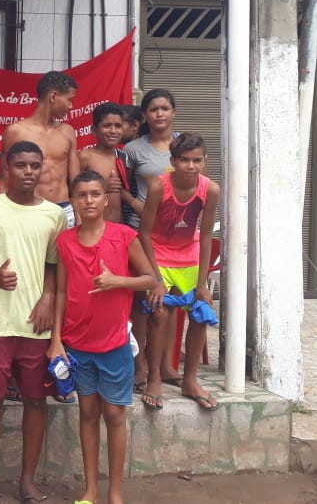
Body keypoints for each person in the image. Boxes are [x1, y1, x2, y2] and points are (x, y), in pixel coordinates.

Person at [0, 141, 67, 504]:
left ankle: (27, 482)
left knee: (36, 401)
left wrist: (48, 297)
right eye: (21, 165)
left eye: (35, 165)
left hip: (35, 326)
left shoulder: (54, 215)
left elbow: (54, 265)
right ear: (6, 168)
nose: (28, 172)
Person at [49, 170, 157, 504]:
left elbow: (149, 279)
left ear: (106, 200)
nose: (89, 201)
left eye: (95, 194)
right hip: (77, 344)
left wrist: (117, 282)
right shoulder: (64, 241)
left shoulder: (124, 236)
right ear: (72, 201)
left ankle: (115, 493)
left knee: (114, 415)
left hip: (114, 344)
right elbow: (62, 292)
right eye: (81, 195)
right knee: (87, 413)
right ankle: (91, 491)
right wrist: (56, 340)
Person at [138, 133, 220, 412]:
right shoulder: (159, 186)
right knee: (159, 312)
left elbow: (206, 236)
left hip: (189, 256)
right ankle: (154, 378)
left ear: (205, 161)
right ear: (173, 161)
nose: (191, 166)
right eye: (184, 160)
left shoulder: (210, 190)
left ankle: (190, 380)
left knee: (200, 312)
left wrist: (202, 284)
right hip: (159, 254)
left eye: (197, 160)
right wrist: (156, 280)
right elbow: (144, 233)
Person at [123, 89, 181, 392]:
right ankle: (140, 365)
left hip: (176, 235)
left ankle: (166, 365)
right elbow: (124, 188)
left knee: (171, 301)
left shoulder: (184, 145)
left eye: (165, 108)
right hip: (142, 231)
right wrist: (140, 209)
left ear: (173, 112)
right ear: (144, 115)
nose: (159, 114)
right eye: (154, 109)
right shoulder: (132, 149)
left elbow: (199, 183)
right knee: (144, 301)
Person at [1, 71, 81, 226]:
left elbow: (75, 180)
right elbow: (5, 180)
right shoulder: (16, 131)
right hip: (27, 209)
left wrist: (79, 215)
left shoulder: (67, 132)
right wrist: (3, 217)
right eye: (69, 100)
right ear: (53, 96)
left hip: (63, 209)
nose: (71, 106)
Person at [78, 102, 128, 224]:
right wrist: (102, 187)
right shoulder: (85, 157)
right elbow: (73, 191)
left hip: (118, 227)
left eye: (118, 126)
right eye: (107, 126)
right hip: (93, 227)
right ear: (94, 130)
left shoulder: (122, 157)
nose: (113, 131)